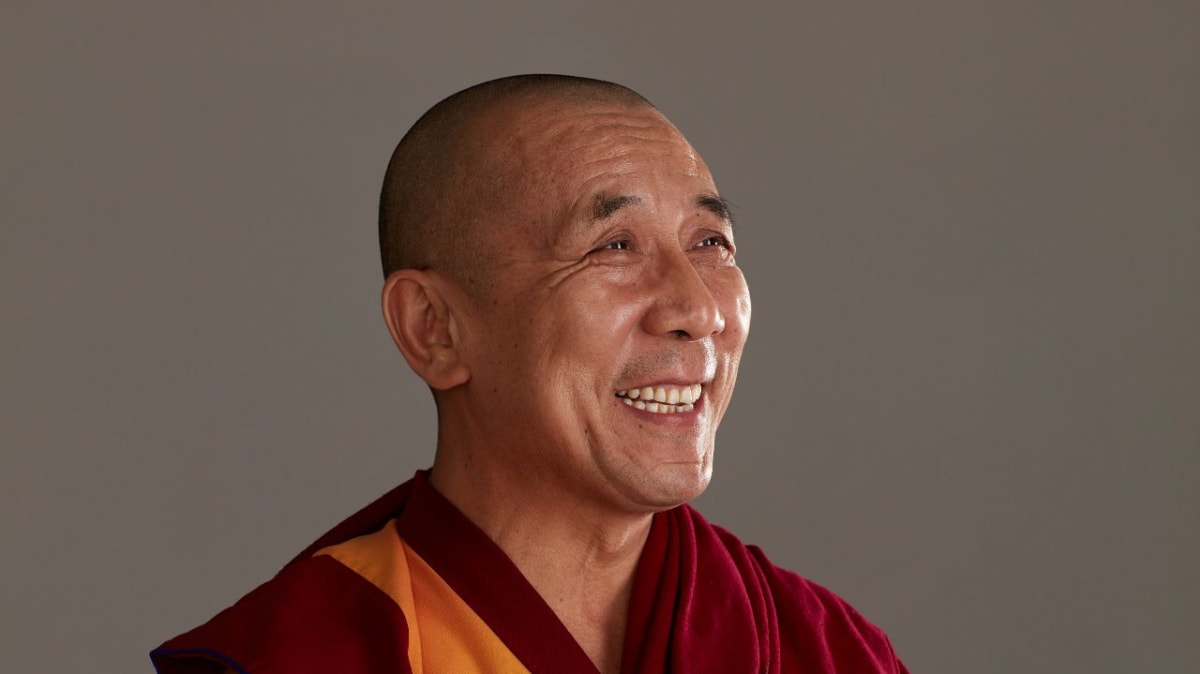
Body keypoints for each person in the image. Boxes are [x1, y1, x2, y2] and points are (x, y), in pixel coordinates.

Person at [150, 74, 908, 674]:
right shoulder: (309, 654)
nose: (697, 309)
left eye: (710, 243)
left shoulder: (827, 650)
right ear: (434, 328)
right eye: (614, 247)